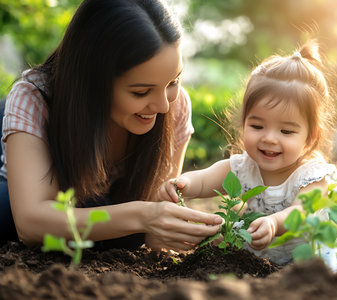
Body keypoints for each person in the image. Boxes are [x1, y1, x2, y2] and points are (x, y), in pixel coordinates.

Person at [0, 0, 223, 250]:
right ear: (93, 82)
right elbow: (30, 224)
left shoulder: (175, 104)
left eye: (173, 81)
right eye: (141, 92)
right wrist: (142, 216)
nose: (163, 106)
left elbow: (156, 216)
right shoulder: (35, 99)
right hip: (25, 139)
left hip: (95, 202)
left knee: (120, 229)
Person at [159, 40, 337, 270]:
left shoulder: (312, 176)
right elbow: (203, 180)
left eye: (286, 131)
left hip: (309, 261)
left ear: (310, 137)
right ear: (243, 124)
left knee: (323, 266)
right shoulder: (242, 168)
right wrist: (181, 183)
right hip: (261, 261)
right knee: (221, 243)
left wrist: (273, 223)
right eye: (257, 126)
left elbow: (301, 211)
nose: (269, 138)